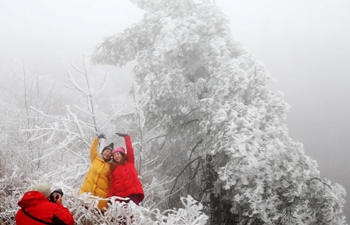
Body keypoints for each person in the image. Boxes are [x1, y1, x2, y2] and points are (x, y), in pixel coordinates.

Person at [79, 133, 113, 211]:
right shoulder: (95, 158)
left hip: (101, 198)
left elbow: (111, 183)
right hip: (87, 193)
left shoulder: (111, 166)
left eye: (109, 153)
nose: (107, 153)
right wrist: (97, 139)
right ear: (103, 151)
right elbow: (92, 149)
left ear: (111, 156)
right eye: (106, 151)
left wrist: (110, 198)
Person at [108, 132, 144, 205]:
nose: (116, 156)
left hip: (133, 193)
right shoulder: (114, 169)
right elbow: (113, 185)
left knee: (133, 214)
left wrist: (126, 137)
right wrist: (110, 197)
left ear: (122, 154)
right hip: (121, 197)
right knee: (121, 216)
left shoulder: (129, 162)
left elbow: (130, 149)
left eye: (118, 154)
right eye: (114, 155)